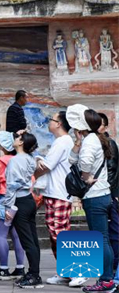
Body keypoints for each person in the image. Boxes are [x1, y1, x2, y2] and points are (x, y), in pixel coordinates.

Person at [69, 106, 115, 292]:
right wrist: (78, 143)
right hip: (101, 194)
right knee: (103, 239)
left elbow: (85, 162)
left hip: (95, 196)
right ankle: (107, 279)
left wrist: (86, 176)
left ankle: (106, 281)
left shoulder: (91, 141)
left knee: (101, 240)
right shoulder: (93, 139)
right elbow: (72, 160)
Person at [35, 110, 84, 287]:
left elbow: (47, 166)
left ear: (59, 124)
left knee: (60, 233)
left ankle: (79, 271)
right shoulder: (61, 141)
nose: (49, 122)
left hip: (59, 193)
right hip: (55, 192)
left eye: (51, 119)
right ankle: (64, 273)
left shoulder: (62, 141)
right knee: (55, 233)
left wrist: (33, 173)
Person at [0, 131, 43, 289]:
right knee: (32, 239)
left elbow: (11, 186)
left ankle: (34, 275)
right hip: (28, 200)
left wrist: (7, 206)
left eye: (18, 138)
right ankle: (34, 272)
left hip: (19, 200)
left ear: (21, 143)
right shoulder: (30, 159)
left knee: (27, 241)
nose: (15, 139)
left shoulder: (15, 160)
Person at [0, 131, 27, 281]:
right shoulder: (21, 159)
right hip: (20, 198)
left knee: (1, 236)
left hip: (5, 198)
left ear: (3, 146)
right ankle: (20, 268)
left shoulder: (1, 161)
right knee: (17, 236)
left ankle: (3, 269)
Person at [99, 113, 119, 276]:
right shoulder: (97, 142)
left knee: (113, 232)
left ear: (105, 126)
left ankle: (113, 266)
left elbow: (111, 170)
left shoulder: (109, 143)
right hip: (105, 192)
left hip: (108, 194)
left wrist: (109, 192)